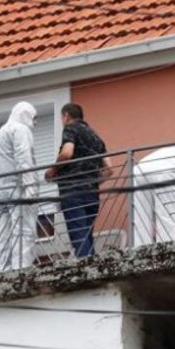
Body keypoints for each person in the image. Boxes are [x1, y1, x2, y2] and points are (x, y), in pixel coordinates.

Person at [45, 103, 113, 258]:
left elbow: (67, 153)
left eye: (62, 118)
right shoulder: (96, 137)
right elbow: (109, 169)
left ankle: (86, 267)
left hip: (73, 190)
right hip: (92, 194)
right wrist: (92, 182)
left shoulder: (71, 129)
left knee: (79, 235)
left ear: (66, 116)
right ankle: (92, 265)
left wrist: (52, 171)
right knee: (86, 234)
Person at [0, 102, 39, 272]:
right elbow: (24, 159)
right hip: (16, 190)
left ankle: (0, 269)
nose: (34, 122)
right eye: (33, 117)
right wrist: (30, 188)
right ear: (25, 114)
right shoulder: (20, 129)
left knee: (2, 233)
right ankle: (21, 269)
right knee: (23, 230)